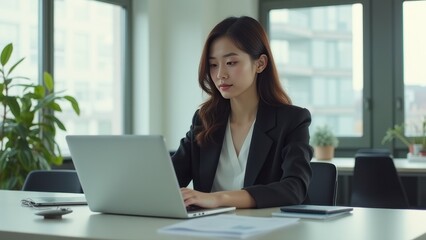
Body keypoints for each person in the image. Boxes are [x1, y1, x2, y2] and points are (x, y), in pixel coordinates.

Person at [171, 16, 313, 209]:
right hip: (206, 231)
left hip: (268, 231)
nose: (220, 74)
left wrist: (218, 199)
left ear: (260, 64)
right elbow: (169, 180)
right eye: (213, 65)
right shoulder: (204, 120)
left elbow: (294, 188)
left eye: (231, 62)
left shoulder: (292, 120)